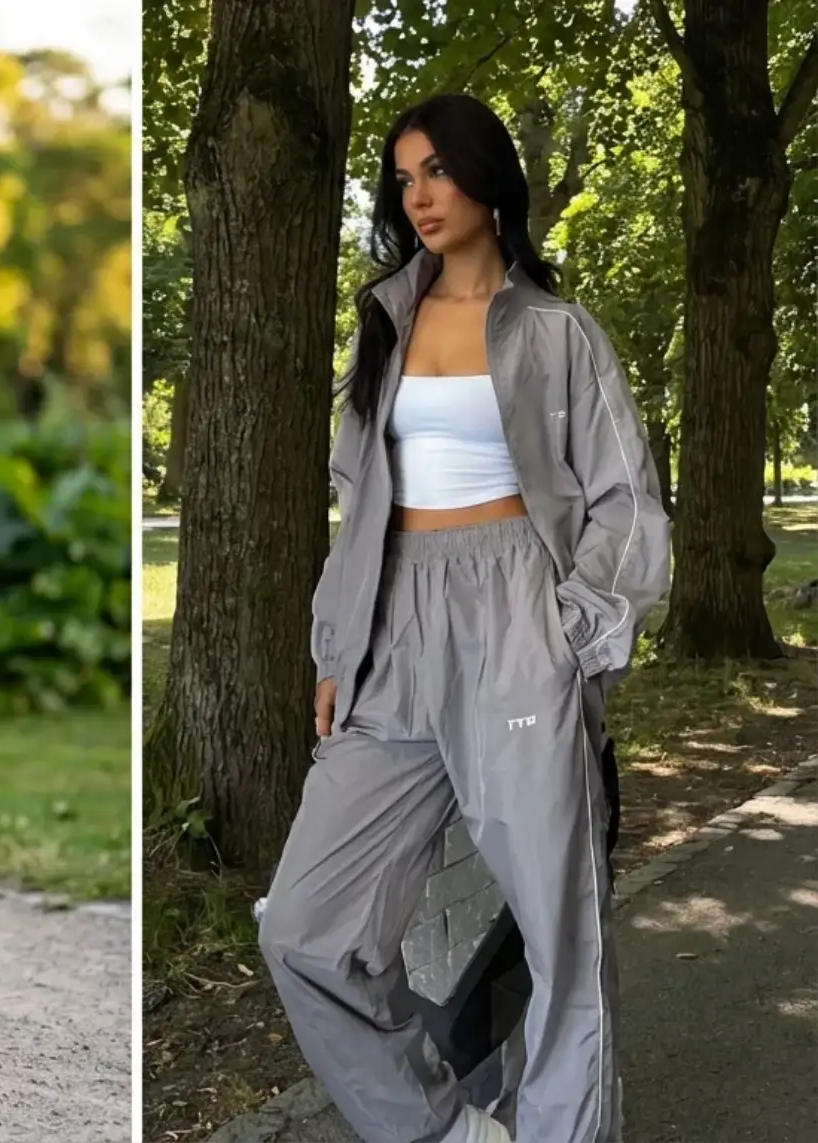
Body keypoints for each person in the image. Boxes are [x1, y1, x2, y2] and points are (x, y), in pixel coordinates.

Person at [256, 92, 671, 1143]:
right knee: (307, 928)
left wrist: (573, 634)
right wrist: (334, 647)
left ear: (487, 178)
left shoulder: (553, 329)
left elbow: (623, 496)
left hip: (517, 619)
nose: (419, 194)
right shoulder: (384, 318)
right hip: (392, 625)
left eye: (436, 169)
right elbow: (357, 506)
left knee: (559, 936)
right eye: (402, 178)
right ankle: (444, 1130)